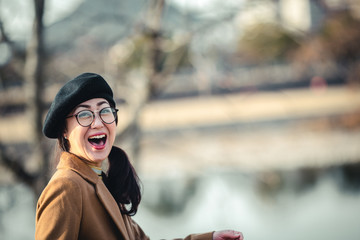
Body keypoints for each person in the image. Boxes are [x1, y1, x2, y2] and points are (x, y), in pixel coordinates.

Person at [36, 72, 244, 240]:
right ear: (64, 130)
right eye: (84, 114)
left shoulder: (99, 180)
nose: (98, 122)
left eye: (104, 111)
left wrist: (210, 239)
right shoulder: (66, 187)